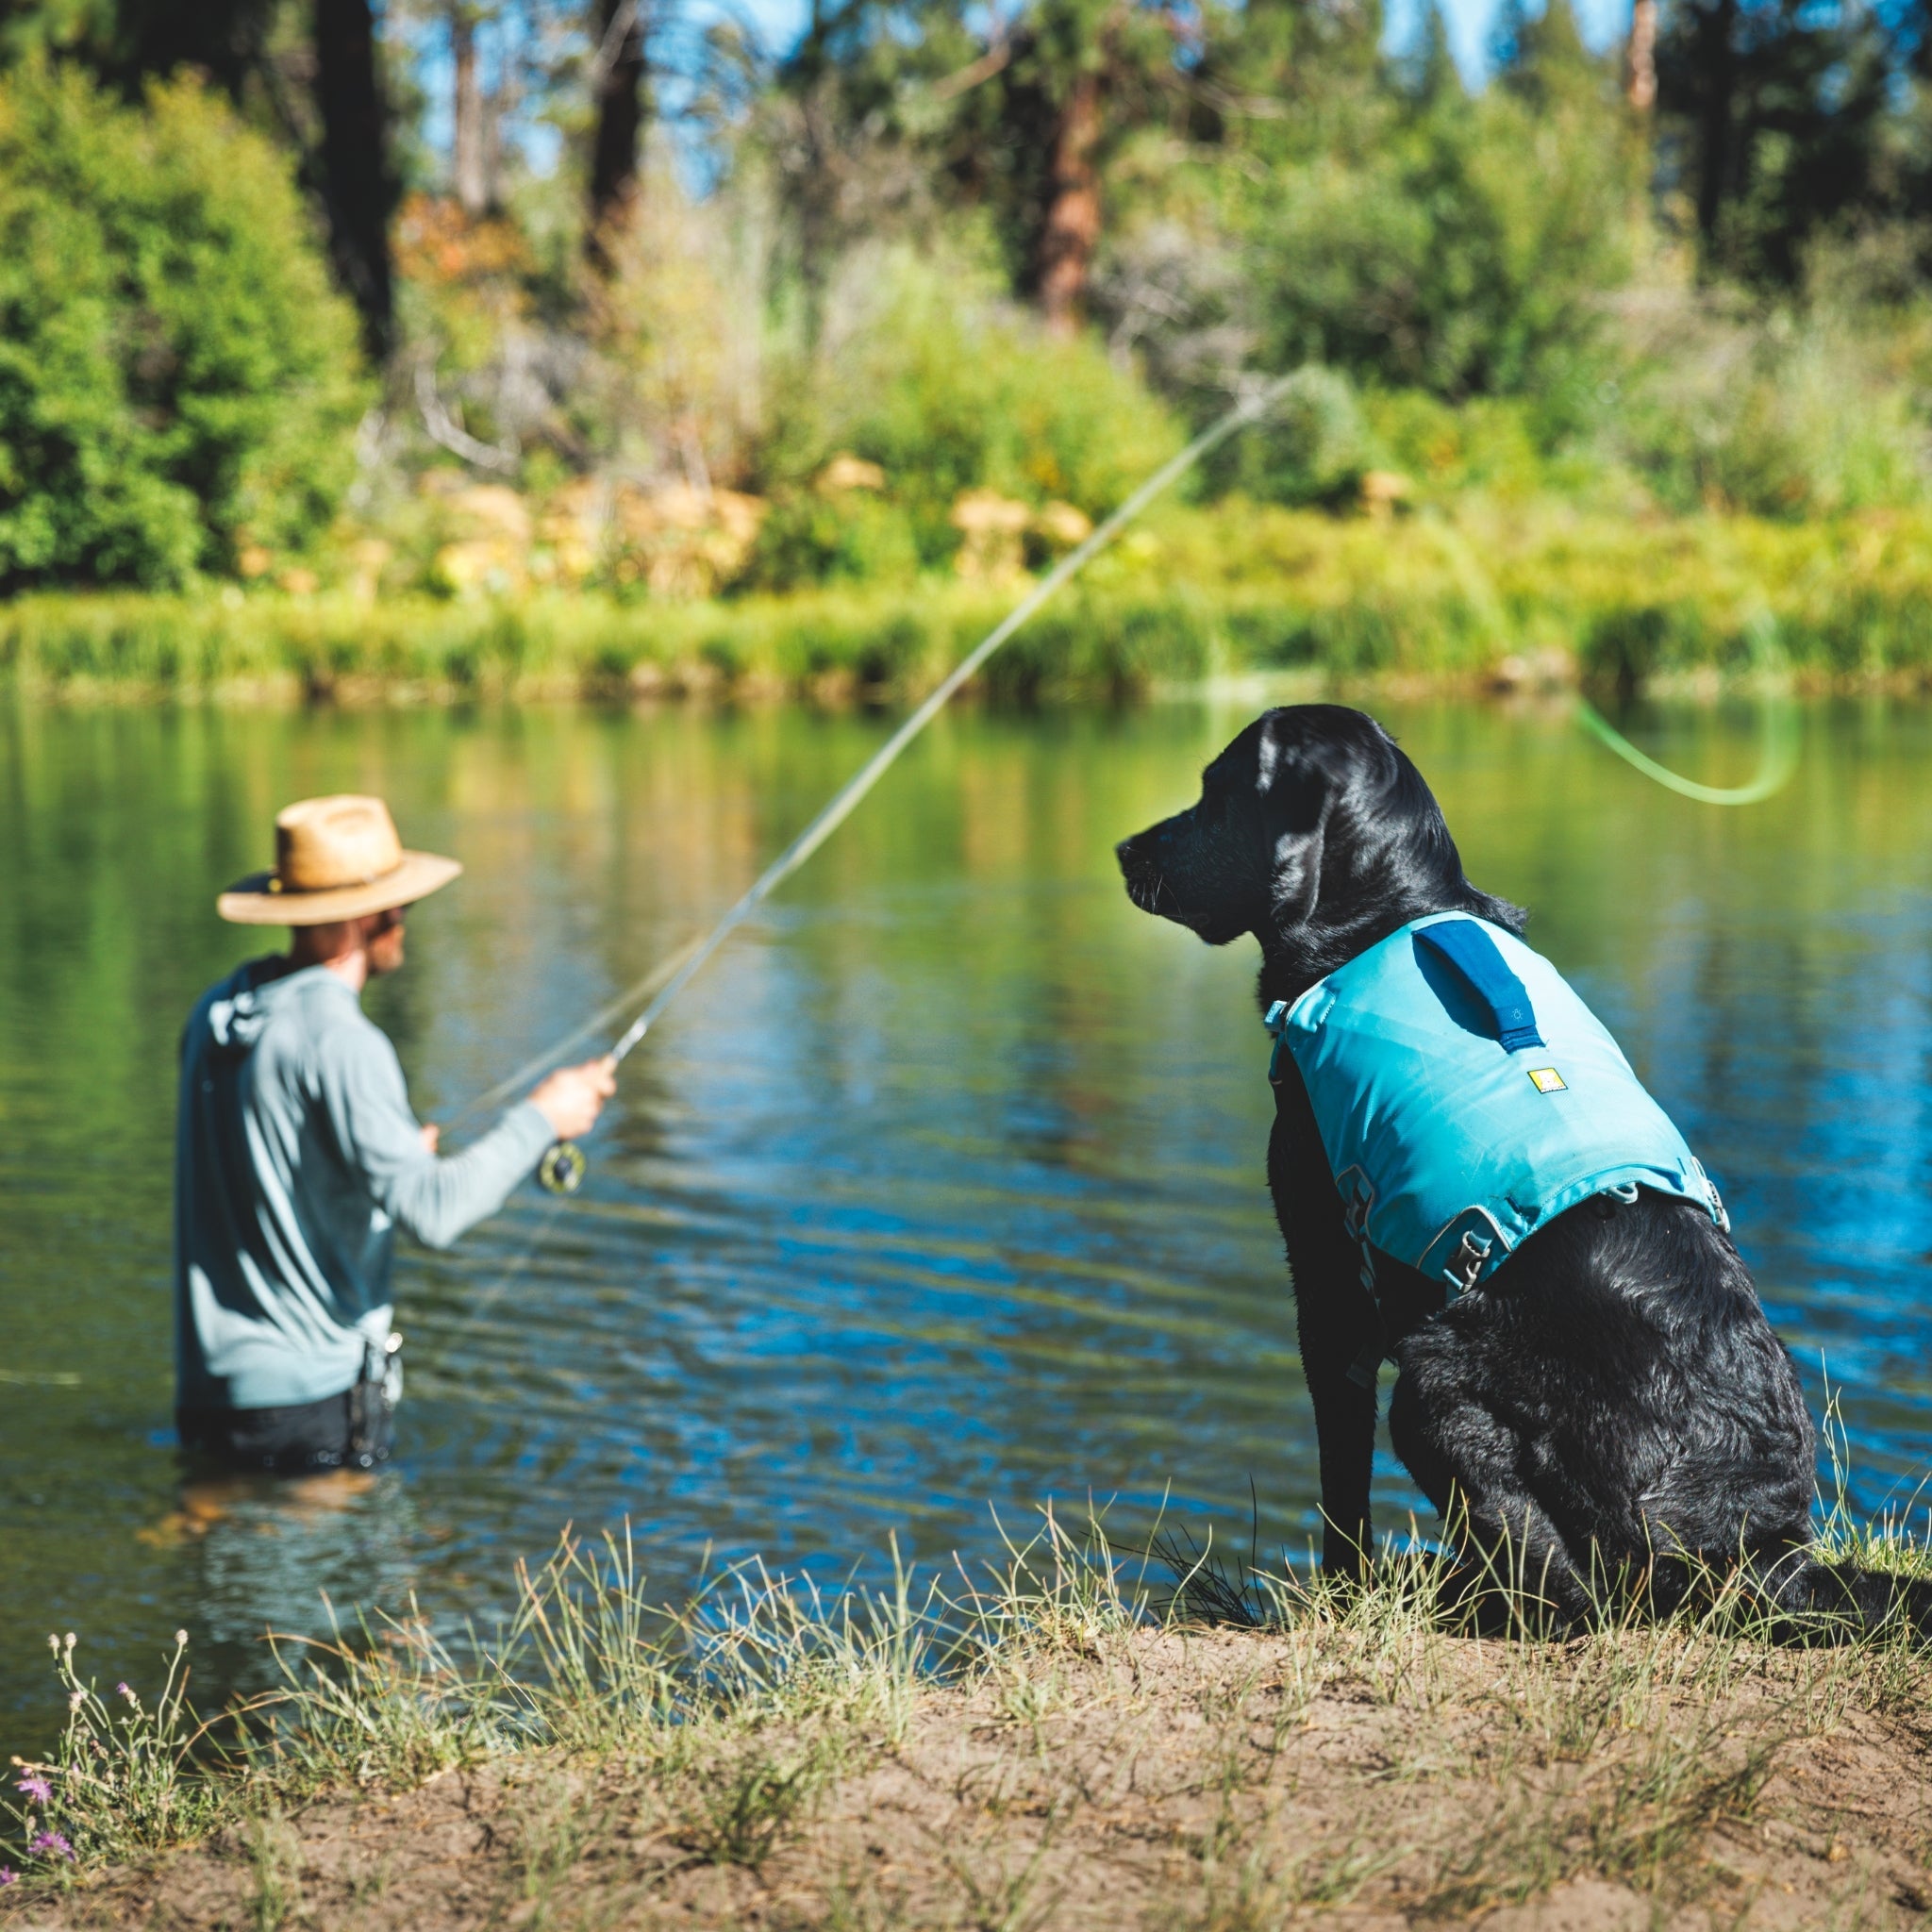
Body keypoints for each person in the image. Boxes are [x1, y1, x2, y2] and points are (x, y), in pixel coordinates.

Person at [174, 792, 615, 1474]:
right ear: (363, 917)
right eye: (398, 904)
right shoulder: (344, 1041)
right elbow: (433, 1213)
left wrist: (390, 1161)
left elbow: (269, 1168)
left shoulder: (219, 1011)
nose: (406, 919)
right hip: (309, 1405)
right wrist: (544, 1118)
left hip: (209, 1392)